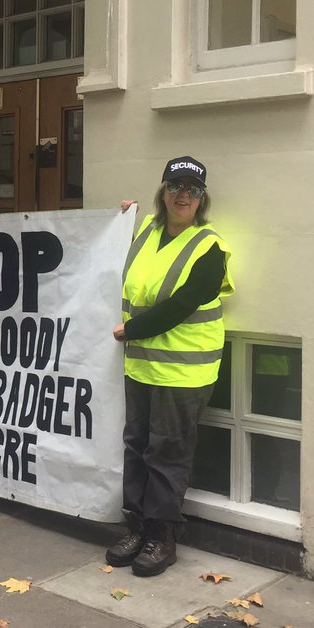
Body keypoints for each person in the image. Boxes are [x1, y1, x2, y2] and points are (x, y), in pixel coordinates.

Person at [107, 155, 235, 577]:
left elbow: (183, 304)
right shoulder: (146, 232)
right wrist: (120, 218)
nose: (183, 195)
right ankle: (137, 527)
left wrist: (134, 330)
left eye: (192, 190)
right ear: (162, 192)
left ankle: (162, 537)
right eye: (176, 186)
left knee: (168, 453)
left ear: (202, 199)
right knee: (136, 447)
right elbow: (111, 253)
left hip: (184, 371)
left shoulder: (210, 247)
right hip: (142, 367)